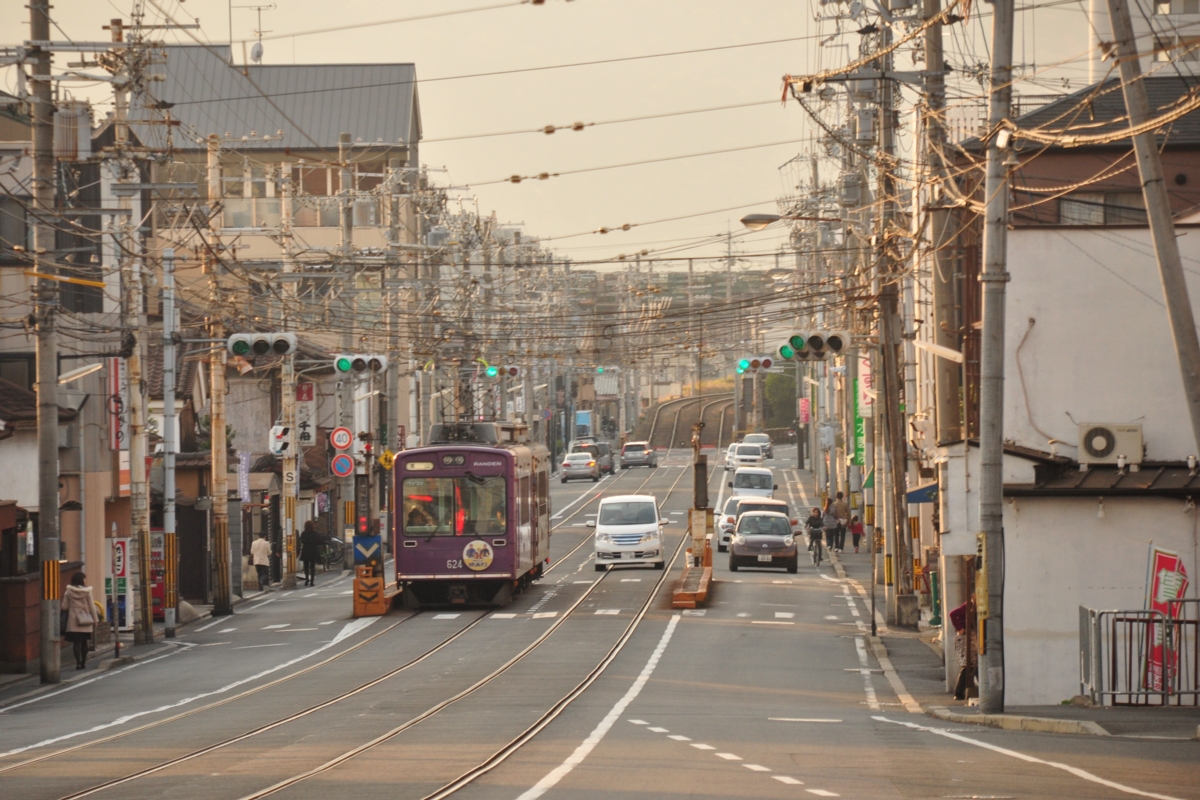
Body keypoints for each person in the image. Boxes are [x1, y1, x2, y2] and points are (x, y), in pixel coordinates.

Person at [61, 572, 96, 670]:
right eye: (84, 578)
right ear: (81, 580)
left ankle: (78, 663)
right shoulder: (87, 592)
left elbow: (64, 607)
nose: (85, 580)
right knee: (84, 642)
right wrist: (95, 620)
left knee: (76, 643)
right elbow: (92, 606)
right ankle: (84, 661)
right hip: (85, 619)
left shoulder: (68, 592)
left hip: (73, 620)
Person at [299, 520, 322, 587]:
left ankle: (306, 579)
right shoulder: (316, 534)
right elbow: (320, 541)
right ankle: (312, 581)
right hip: (313, 550)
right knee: (312, 566)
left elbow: (302, 541)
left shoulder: (303, 533)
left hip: (306, 550)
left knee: (306, 566)